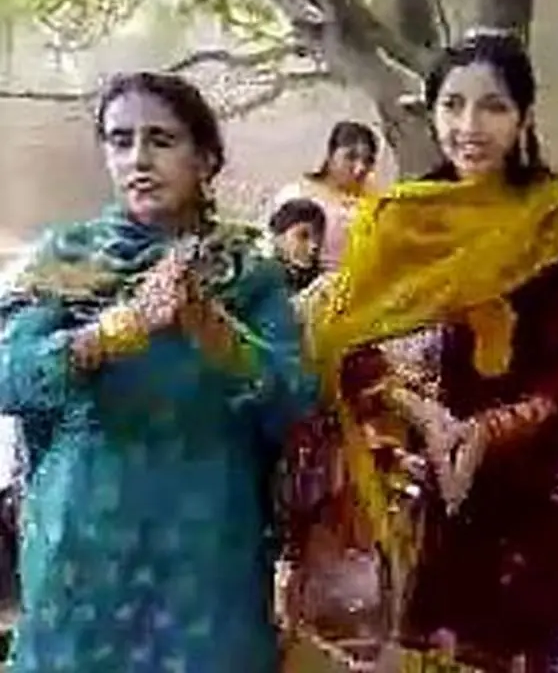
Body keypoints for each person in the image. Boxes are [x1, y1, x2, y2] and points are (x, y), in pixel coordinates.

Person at [289, 30, 558, 672]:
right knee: (452, 646)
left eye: (493, 106)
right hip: (443, 485)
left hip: (556, 487)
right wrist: (426, 416)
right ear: (431, 113)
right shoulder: (401, 222)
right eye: (453, 105)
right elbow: (345, 346)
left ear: (524, 117)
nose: (470, 126)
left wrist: (491, 429)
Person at [0, 72, 312, 672]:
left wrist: (216, 333)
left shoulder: (248, 272)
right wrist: (111, 333)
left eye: (161, 140)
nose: (138, 159)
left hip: (207, 549)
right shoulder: (67, 261)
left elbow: (295, 399)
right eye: (120, 141)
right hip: (81, 546)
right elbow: (11, 378)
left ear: (206, 159)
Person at [273, 121, 378, 270]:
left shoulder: (374, 206)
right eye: (350, 157)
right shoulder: (296, 194)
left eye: (368, 161)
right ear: (330, 155)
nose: (360, 168)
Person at [268, 197, 327, 294]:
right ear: (280, 239)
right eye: (303, 236)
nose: (314, 245)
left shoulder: (326, 286)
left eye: (318, 236)